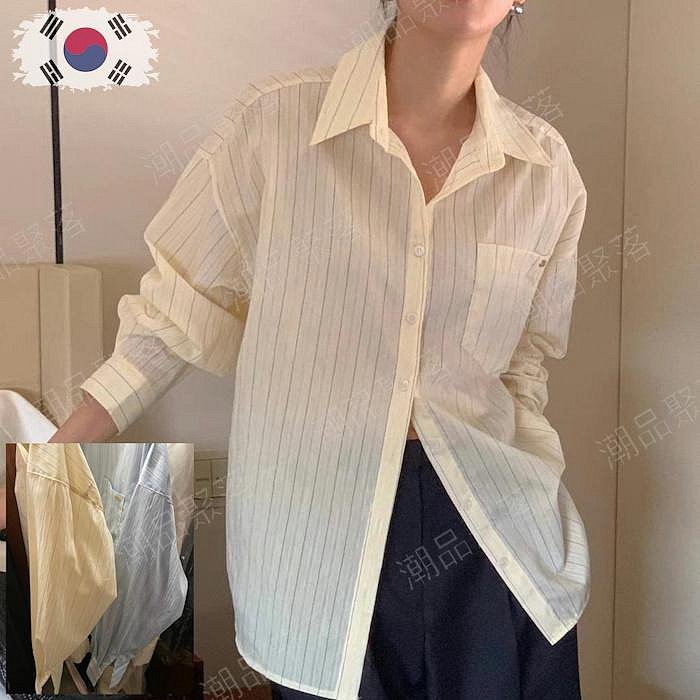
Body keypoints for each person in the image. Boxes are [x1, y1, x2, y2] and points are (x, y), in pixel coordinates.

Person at [51, 1, 590, 698]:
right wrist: (45, 462)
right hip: (318, 541)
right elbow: (171, 315)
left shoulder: (544, 169)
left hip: (496, 537)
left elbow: (523, 363)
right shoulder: (275, 128)